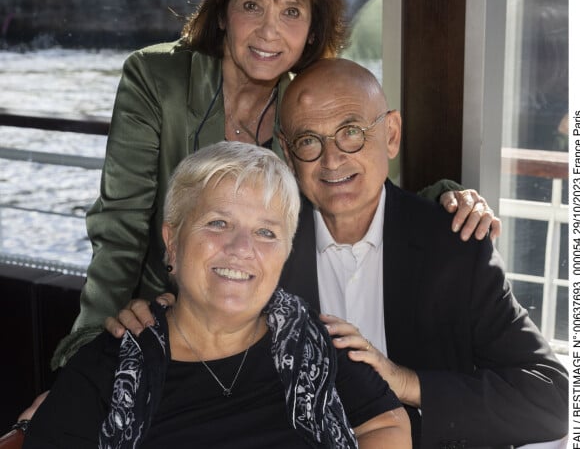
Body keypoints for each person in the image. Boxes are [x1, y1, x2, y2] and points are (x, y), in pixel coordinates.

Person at [51, 0, 498, 370]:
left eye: (291, 12)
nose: (269, 31)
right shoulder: (155, 79)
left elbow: (363, 201)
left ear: (311, 30)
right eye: (252, 6)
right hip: (161, 321)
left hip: (263, 333)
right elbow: (120, 231)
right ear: (222, 12)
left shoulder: (308, 108)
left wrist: (447, 201)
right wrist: (87, 350)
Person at [115, 59, 567, 447]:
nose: (332, 160)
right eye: (310, 140)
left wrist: (404, 381)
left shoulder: (451, 244)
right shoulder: (261, 251)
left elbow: (552, 397)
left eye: (351, 132)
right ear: (289, 156)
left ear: (390, 135)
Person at [23, 142, 411, 448]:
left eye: (266, 232)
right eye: (218, 223)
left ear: (286, 254)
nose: (242, 247)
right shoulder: (107, 367)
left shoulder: (314, 342)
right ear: (172, 243)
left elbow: (387, 422)